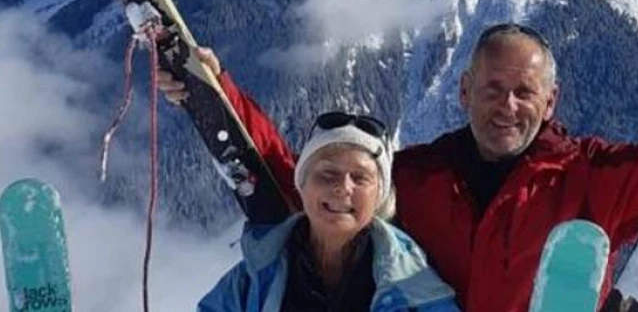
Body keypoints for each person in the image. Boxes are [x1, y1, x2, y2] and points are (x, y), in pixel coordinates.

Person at [162, 25, 638, 312]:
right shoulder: (417, 177)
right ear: (464, 90)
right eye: (493, 89)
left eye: (525, 93)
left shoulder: (587, 178)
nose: (508, 106)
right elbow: (308, 180)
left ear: (551, 102)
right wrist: (214, 92)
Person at [197, 110, 460, 312]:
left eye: (360, 178)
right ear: (302, 184)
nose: (343, 188)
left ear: (378, 194)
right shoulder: (255, 277)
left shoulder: (418, 289)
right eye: (328, 173)